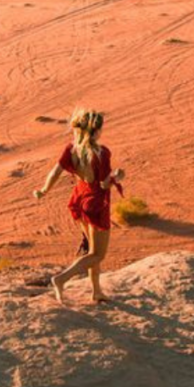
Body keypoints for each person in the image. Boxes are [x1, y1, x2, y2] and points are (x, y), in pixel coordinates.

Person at [34, 108, 124, 304]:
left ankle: (97, 291)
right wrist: (118, 177)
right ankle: (61, 279)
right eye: (100, 128)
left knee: (92, 251)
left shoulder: (71, 149)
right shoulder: (101, 153)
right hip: (97, 204)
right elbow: (103, 184)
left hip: (80, 201)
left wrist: (43, 190)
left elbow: (55, 172)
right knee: (98, 254)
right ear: (94, 131)